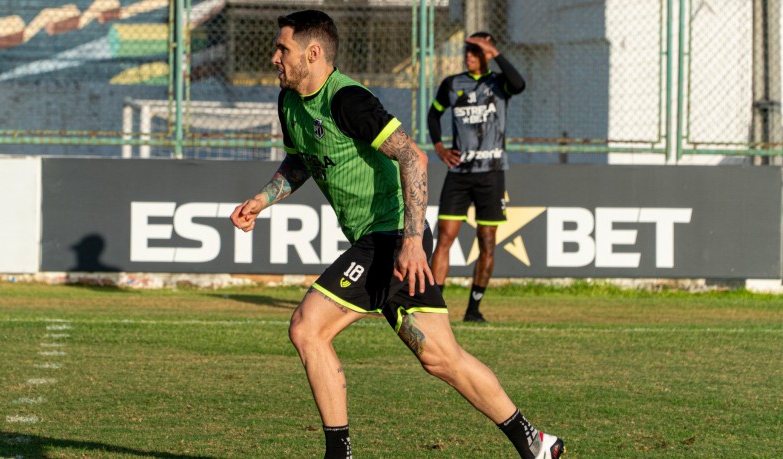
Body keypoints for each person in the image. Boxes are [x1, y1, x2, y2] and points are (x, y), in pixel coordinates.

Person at [230, 10, 563, 459]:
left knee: (308, 329)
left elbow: (413, 158)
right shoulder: (289, 102)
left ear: (312, 54)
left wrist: (410, 242)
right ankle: (536, 442)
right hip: (381, 241)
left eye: (282, 49)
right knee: (441, 357)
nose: (274, 57)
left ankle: (338, 454)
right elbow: (300, 161)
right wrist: (263, 199)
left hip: (390, 238)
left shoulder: (348, 100)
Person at [428, 32, 526, 323]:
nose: (468, 55)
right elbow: (434, 116)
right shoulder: (452, 83)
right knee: (444, 238)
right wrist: (440, 148)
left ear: (487, 52)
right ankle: (435, 307)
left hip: (491, 174)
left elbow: (519, 84)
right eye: (467, 50)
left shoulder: (500, 83)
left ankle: (473, 308)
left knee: (487, 241)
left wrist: (494, 53)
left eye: (475, 50)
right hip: (459, 175)